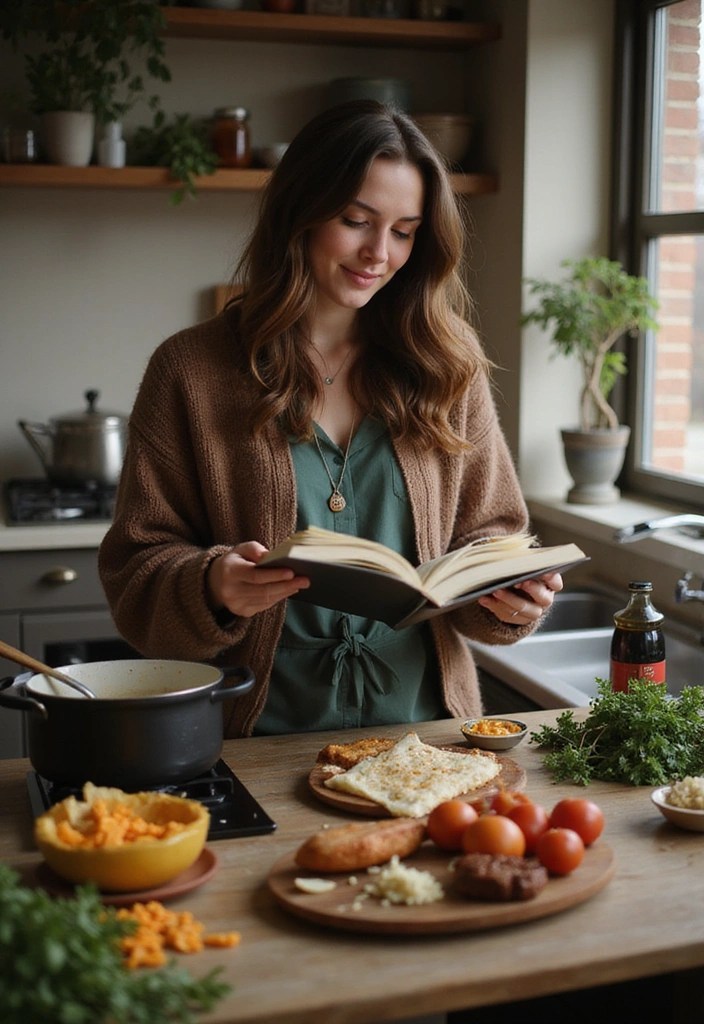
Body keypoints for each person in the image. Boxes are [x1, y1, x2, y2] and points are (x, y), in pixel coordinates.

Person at [98, 99, 561, 738]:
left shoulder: (447, 362)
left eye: (404, 231)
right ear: (301, 211)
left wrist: (510, 600)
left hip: (427, 741)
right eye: (356, 221)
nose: (379, 253)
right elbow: (135, 572)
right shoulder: (191, 371)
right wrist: (213, 586)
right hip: (251, 740)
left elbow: (492, 536)